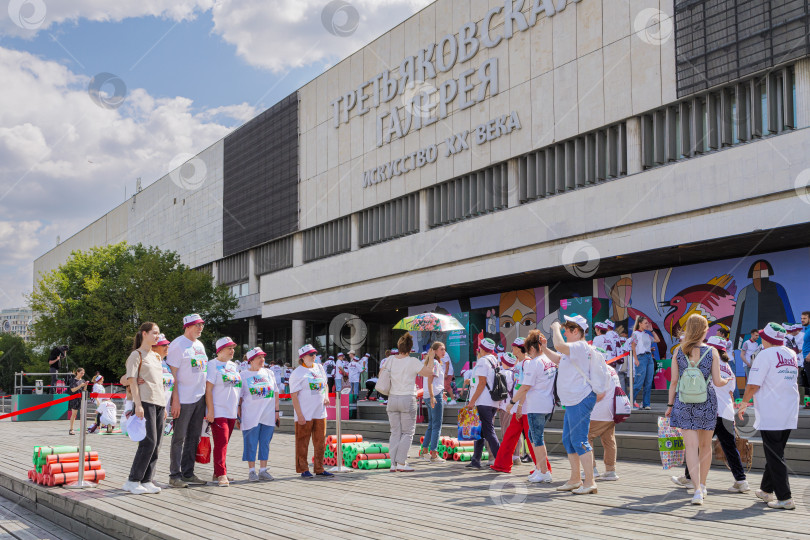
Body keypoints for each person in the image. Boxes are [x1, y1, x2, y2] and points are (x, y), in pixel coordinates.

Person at [666, 314, 732, 505]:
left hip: (684, 402)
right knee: (705, 446)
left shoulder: (679, 351)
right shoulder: (712, 352)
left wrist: (670, 406)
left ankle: (695, 491)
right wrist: (728, 380)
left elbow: (674, 382)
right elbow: (718, 382)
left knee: (691, 448)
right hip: (707, 402)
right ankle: (703, 485)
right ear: (704, 330)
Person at [672, 336, 748, 493]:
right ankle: (741, 480)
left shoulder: (707, 359)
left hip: (709, 410)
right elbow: (730, 392)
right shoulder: (728, 366)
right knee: (729, 447)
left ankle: (689, 478)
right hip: (726, 411)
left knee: (697, 445)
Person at [738, 323, 799, 509]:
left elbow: (753, 385)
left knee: (775, 455)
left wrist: (743, 403)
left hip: (772, 411)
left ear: (768, 339)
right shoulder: (791, 353)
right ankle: (766, 490)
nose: (761, 339)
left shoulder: (765, 355)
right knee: (776, 452)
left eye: (763, 336)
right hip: (789, 410)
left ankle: (785, 498)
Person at [542, 315, 605, 495]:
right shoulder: (575, 349)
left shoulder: (579, 346)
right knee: (569, 440)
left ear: (575, 331)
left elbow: (560, 346)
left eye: (566, 330)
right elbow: (558, 358)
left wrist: (554, 328)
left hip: (580, 399)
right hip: (573, 400)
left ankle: (589, 481)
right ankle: (576, 479)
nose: (563, 333)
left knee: (579, 440)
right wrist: (545, 348)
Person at [497, 332, 553, 481]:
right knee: (527, 438)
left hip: (530, 406)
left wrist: (517, 404)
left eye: (515, 347)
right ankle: (539, 468)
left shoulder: (531, 363)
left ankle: (543, 469)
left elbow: (525, 386)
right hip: (532, 405)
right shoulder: (530, 362)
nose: (513, 349)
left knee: (535, 440)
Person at [166, 313, 209, 488]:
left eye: (202, 325)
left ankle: (188, 473)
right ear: (187, 327)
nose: (200, 328)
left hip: (199, 398)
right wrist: (174, 400)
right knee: (179, 438)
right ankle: (174, 475)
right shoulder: (177, 345)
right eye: (197, 325)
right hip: (183, 399)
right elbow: (172, 374)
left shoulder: (199, 345)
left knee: (193, 437)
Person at [123, 322, 166, 495]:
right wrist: (138, 404)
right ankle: (133, 480)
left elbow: (159, 383)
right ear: (144, 334)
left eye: (158, 333)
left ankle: (147, 479)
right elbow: (131, 381)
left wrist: (165, 406)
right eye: (154, 333)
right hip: (145, 402)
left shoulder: (156, 356)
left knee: (157, 445)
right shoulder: (136, 355)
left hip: (159, 403)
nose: (157, 336)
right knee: (148, 442)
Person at [385, 334, 434, 472]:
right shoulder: (412, 361)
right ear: (411, 348)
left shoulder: (390, 360)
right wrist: (430, 358)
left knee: (395, 432)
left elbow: (381, 375)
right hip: (407, 398)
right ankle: (401, 462)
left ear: (399, 346)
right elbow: (429, 373)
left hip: (392, 398)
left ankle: (393, 464)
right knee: (407, 432)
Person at [289, 344, 333, 479]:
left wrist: (326, 397)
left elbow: (325, 384)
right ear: (303, 357)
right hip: (305, 413)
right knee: (303, 442)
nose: (314, 356)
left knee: (320, 442)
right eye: (310, 354)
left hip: (320, 411)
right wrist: (299, 415)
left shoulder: (319, 368)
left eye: (314, 354)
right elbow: (294, 395)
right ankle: (303, 468)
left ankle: (319, 468)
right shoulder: (297, 373)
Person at [205, 337, 241, 487]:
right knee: (221, 442)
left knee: (224, 443)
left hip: (231, 411)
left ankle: (218, 471)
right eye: (229, 348)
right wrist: (211, 411)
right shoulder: (213, 365)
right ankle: (221, 474)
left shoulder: (233, 366)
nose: (232, 351)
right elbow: (208, 389)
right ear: (220, 350)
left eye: (233, 348)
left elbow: (237, 388)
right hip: (218, 410)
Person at [239, 347, 279, 482]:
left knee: (265, 442)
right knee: (250, 442)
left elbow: (276, 393)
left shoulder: (269, 373)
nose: (262, 360)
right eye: (259, 357)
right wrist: (238, 414)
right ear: (251, 360)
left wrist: (277, 412)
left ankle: (263, 470)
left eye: (263, 357)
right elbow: (240, 397)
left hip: (268, 415)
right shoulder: (243, 375)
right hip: (251, 415)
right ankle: (251, 471)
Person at [464, 338, 502, 470]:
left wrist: (472, 401)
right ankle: (476, 460)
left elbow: (481, 383)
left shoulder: (482, 361)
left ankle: (500, 461)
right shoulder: (494, 361)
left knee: (488, 431)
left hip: (483, 401)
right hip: (492, 401)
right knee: (479, 431)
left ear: (481, 349)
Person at [586, 348, 621, 481]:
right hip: (612, 411)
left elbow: (599, 395)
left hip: (599, 412)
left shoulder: (598, 370)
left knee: (585, 436)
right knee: (609, 440)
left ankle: (591, 469)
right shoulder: (611, 369)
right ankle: (610, 470)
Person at [418, 342, 446, 463]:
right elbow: (430, 381)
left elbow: (433, 382)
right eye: (441, 349)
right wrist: (433, 396)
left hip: (430, 395)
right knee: (436, 425)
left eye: (444, 349)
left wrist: (440, 392)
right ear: (434, 351)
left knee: (432, 425)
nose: (444, 351)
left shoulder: (432, 363)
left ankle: (425, 451)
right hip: (433, 396)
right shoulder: (434, 363)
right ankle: (434, 454)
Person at [629, 316, 661, 410]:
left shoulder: (647, 334)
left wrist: (652, 330)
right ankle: (629, 402)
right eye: (645, 323)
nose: (647, 324)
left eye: (648, 323)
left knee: (648, 382)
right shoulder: (635, 334)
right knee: (639, 383)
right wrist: (636, 359)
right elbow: (633, 346)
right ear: (640, 323)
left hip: (649, 358)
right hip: (641, 358)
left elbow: (657, 340)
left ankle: (646, 403)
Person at [67, 367, 89, 435]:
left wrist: (85, 385)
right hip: (74, 398)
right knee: (74, 414)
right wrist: (80, 385)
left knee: (83, 414)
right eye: (81, 373)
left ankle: (83, 429)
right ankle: (71, 429)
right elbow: (72, 390)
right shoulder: (72, 380)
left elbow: (84, 390)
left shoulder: (82, 380)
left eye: (83, 373)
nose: (82, 374)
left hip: (81, 398)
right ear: (77, 372)